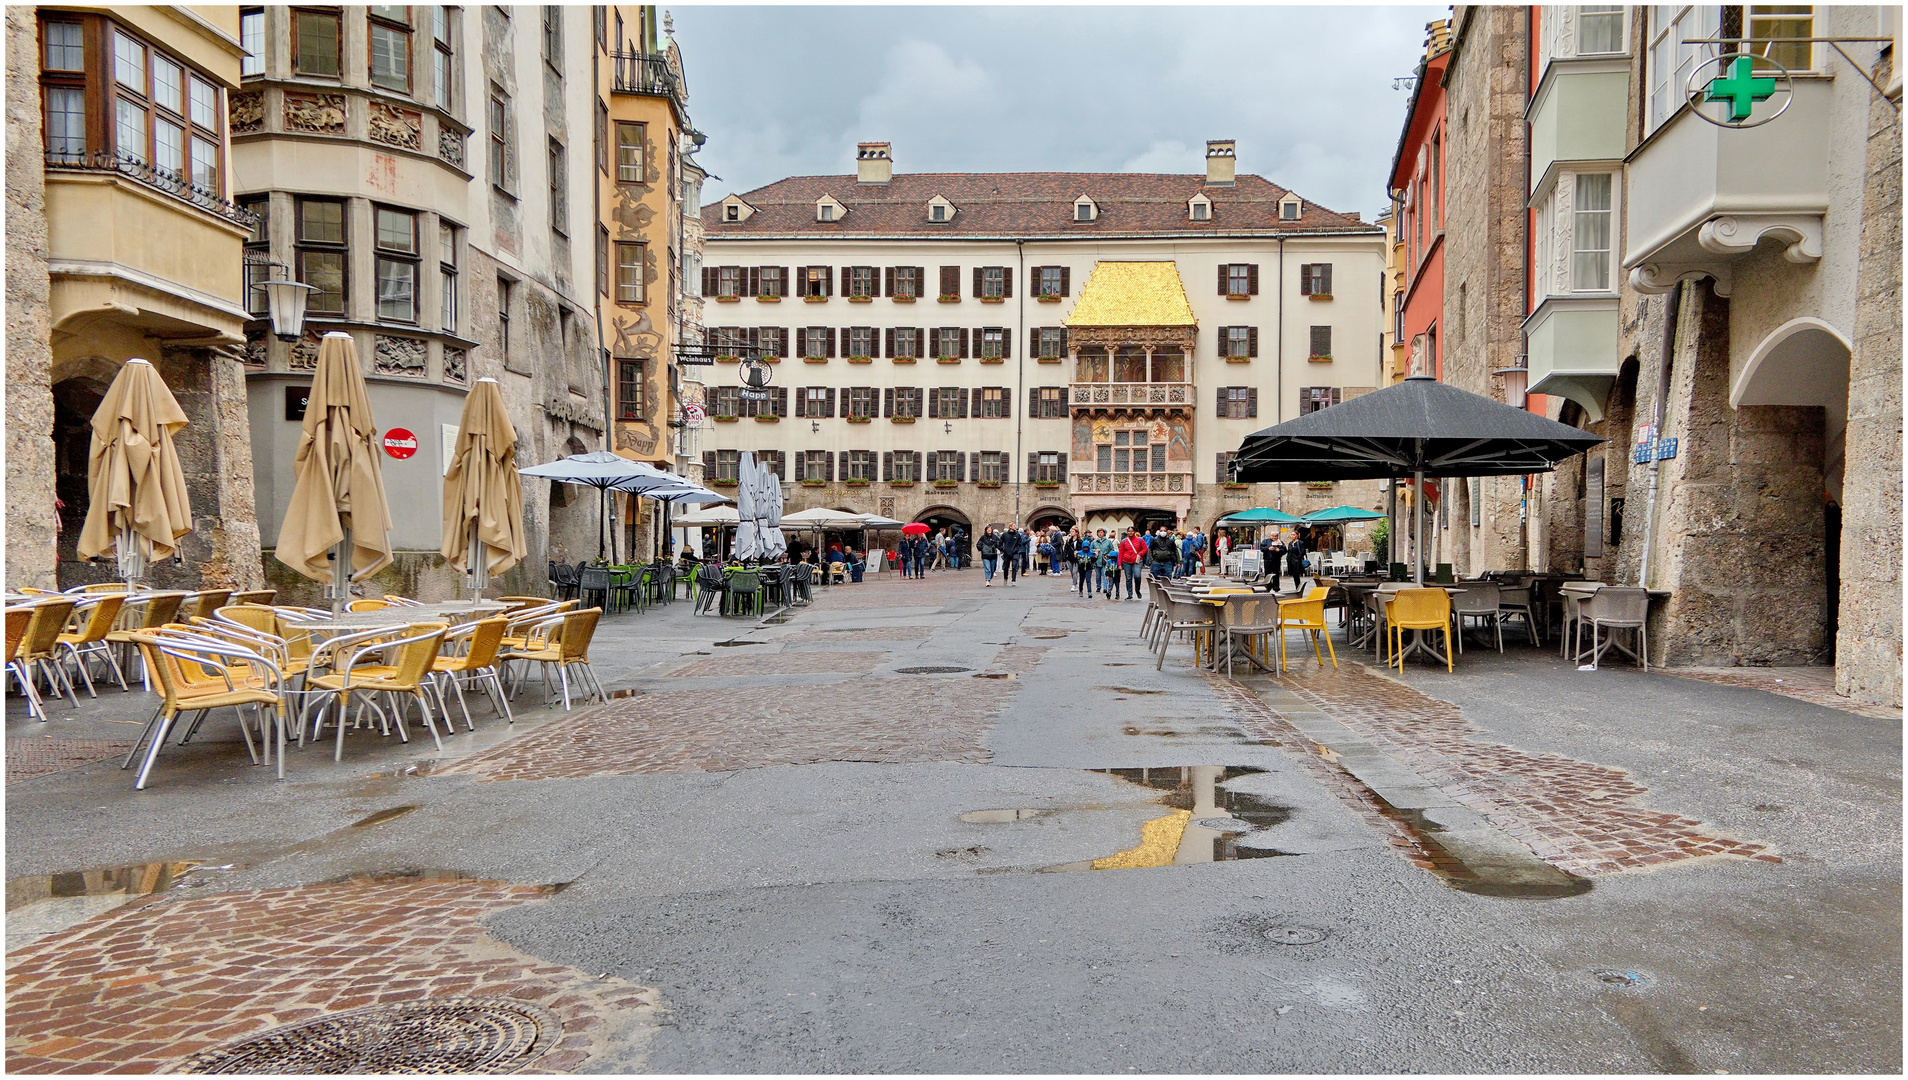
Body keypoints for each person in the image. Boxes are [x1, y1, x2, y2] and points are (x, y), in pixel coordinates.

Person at [1117, 527, 1149, 600]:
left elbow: (1145, 549)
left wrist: (1140, 553)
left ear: (1134, 532)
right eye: (1129, 531)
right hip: (1126, 561)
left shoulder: (1140, 540)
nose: (1130, 532)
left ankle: (1137, 590)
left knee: (1137, 576)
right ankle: (1129, 594)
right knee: (1128, 578)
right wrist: (1119, 564)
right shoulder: (1124, 541)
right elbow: (1121, 553)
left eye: (1132, 531)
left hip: (1137, 561)